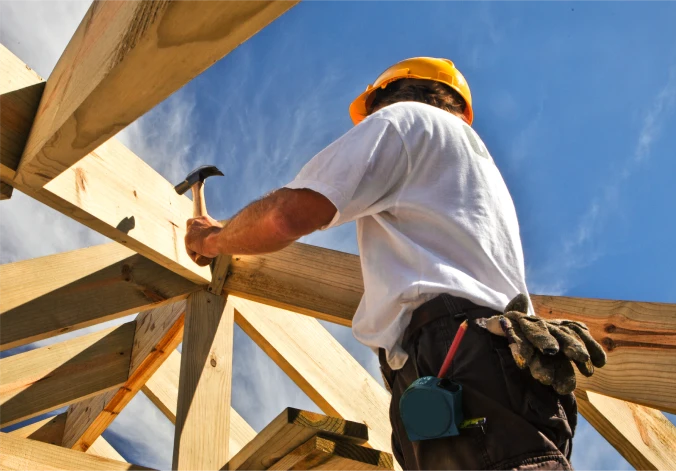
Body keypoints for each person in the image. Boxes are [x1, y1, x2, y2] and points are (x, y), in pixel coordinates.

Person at [184, 57, 605, 471]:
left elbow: (285, 215)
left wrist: (214, 238)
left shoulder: (404, 120)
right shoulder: (473, 168)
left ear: (385, 97)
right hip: (502, 369)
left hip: (455, 358)